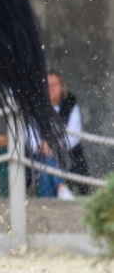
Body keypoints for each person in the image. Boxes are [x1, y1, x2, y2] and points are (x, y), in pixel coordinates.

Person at [28, 71, 90, 199]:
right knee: (47, 160)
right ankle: (61, 187)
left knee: (51, 160)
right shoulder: (35, 108)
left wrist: (55, 145)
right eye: (46, 85)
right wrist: (41, 145)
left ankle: (48, 200)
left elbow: (74, 135)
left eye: (54, 84)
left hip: (65, 154)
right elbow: (29, 134)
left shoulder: (71, 106)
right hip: (40, 154)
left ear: (61, 87)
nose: (50, 88)